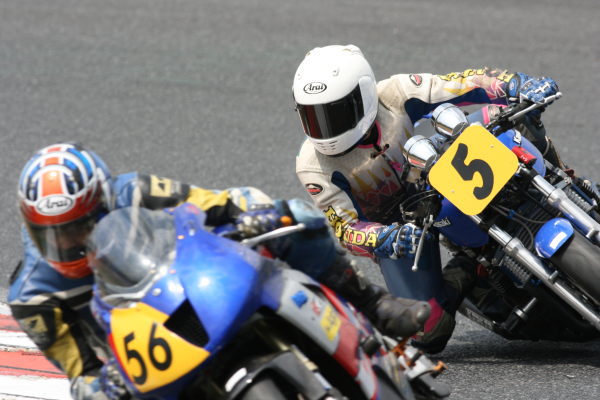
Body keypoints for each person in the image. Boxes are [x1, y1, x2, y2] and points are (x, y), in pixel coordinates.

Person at [8, 142, 430, 400]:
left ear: (102, 202)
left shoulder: (132, 191)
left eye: (81, 227)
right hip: (140, 352)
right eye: (54, 235)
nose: (71, 244)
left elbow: (211, 203)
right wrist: (103, 386)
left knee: (292, 217)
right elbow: (80, 374)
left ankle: (372, 304)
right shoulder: (32, 296)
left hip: (182, 285)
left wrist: (253, 215)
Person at [292, 44, 561, 353]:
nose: (325, 128)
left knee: (513, 116)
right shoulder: (312, 166)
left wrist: (516, 84)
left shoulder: (394, 93)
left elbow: (461, 83)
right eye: (313, 116)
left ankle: (565, 182)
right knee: (427, 331)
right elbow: (344, 227)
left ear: (363, 95)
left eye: (335, 113)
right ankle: (470, 268)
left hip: (434, 167)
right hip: (401, 229)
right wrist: (382, 238)